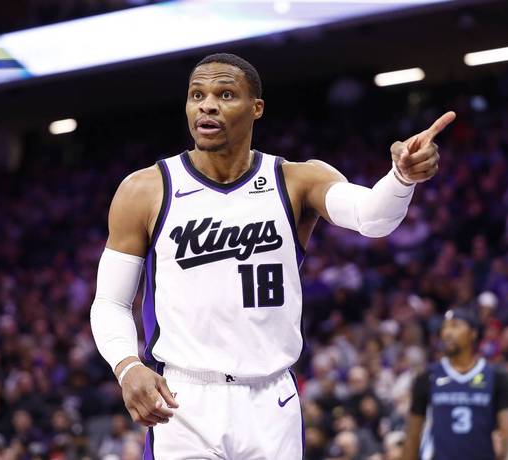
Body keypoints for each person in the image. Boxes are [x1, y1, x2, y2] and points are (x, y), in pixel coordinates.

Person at [89, 52, 455, 459]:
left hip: (271, 400)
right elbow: (111, 301)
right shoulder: (145, 189)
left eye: (225, 94)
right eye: (197, 95)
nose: (207, 105)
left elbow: (372, 218)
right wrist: (126, 365)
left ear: (256, 108)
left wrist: (402, 177)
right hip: (184, 399)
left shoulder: (296, 179)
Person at [402, 309, 508, 460]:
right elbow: (412, 435)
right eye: (444, 327)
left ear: (473, 333)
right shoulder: (428, 377)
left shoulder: (497, 377)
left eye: (455, 326)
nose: (447, 333)